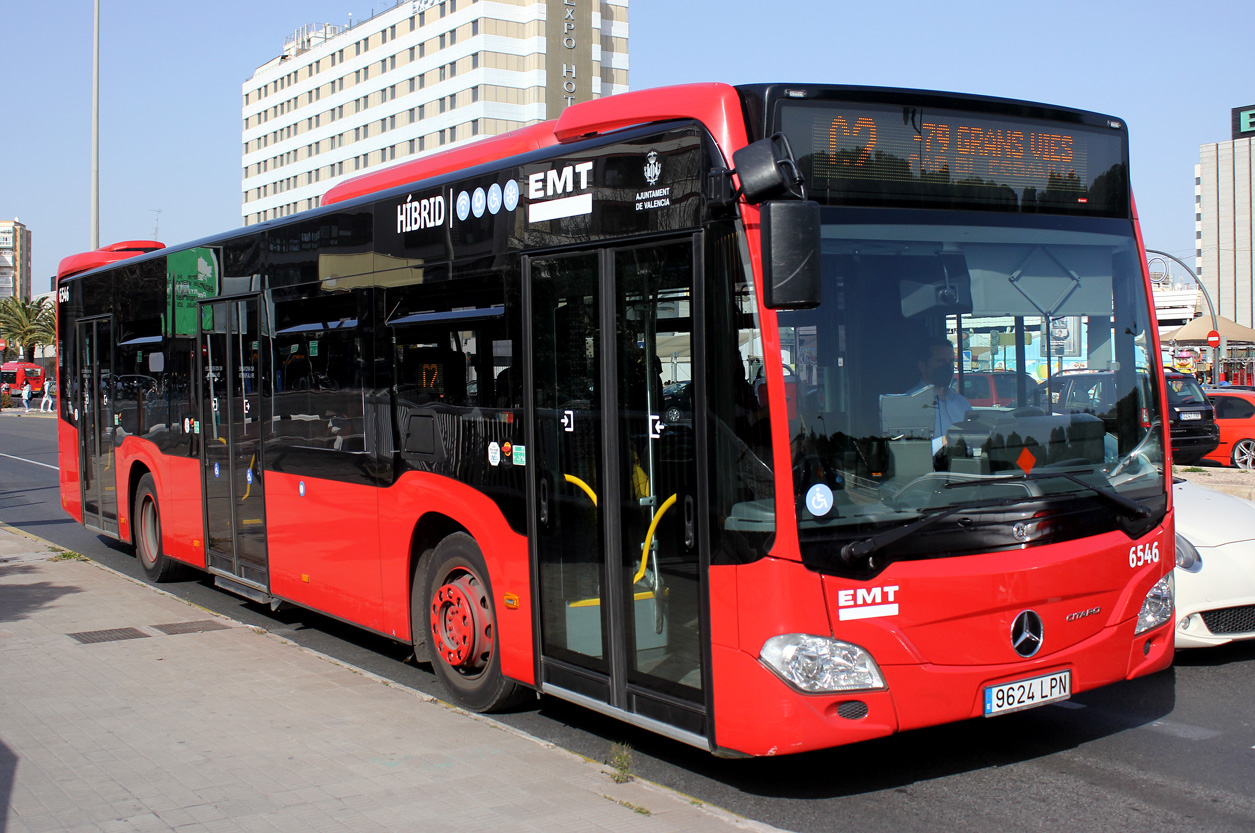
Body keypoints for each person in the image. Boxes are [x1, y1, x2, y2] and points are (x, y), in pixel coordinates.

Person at [915, 335, 972, 447]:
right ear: (922, 366)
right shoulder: (908, 404)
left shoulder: (961, 403)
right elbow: (905, 450)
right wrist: (943, 442)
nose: (947, 366)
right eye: (940, 361)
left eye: (951, 361)